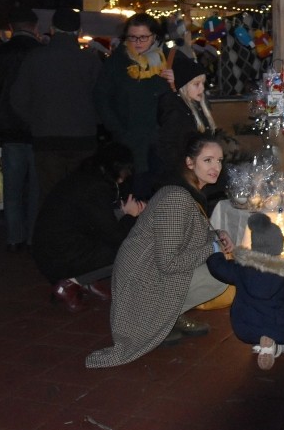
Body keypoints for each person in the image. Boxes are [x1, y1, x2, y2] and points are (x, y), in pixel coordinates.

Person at [85, 133, 233, 368]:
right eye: (208, 160)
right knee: (220, 273)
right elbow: (168, 263)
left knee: (220, 265)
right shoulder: (176, 198)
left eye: (219, 160)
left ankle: (170, 316)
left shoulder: (187, 190)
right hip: (142, 278)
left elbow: (190, 231)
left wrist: (216, 235)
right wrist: (213, 247)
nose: (216, 167)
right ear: (189, 163)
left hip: (150, 268)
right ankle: (160, 319)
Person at [32, 142, 145, 313]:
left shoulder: (86, 178)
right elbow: (117, 238)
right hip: (58, 258)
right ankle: (72, 282)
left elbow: (95, 222)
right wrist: (130, 216)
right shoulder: (94, 188)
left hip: (55, 250)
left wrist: (124, 213)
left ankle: (88, 281)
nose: (125, 176)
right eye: (124, 171)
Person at [11, 7, 102, 205]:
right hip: (83, 138)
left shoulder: (35, 58)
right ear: (79, 32)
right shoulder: (91, 61)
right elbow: (102, 99)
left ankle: (53, 234)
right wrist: (92, 120)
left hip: (46, 139)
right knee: (81, 196)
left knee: (51, 197)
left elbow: (18, 99)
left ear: (52, 29)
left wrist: (36, 121)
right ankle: (77, 234)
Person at [206, 212, 284, 370]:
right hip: (277, 329)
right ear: (279, 247)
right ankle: (274, 347)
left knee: (259, 326)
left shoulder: (241, 269)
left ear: (255, 245)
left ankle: (261, 344)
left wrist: (216, 250)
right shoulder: (283, 277)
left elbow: (219, 269)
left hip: (245, 327)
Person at [0, 6, 42, 252]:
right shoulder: (41, 53)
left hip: (9, 129)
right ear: (35, 28)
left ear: (10, 28)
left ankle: (14, 237)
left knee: (12, 188)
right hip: (38, 130)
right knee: (36, 188)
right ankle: (33, 236)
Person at [93, 13, 173, 200]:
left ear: (155, 37)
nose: (137, 42)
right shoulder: (118, 62)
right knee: (136, 199)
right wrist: (118, 129)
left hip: (163, 144)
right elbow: (101, 97)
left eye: (143, 37)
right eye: (132, 37)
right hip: (131, 145)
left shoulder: (168, 59)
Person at [155, 51, 223, 205]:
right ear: (184, 86)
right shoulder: (176, 111)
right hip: (184, 178)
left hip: (197, 175)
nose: (201, 89)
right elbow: (169, 148)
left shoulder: (198, 108)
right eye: (196, 84)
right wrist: (187, 171)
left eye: (203, 84)